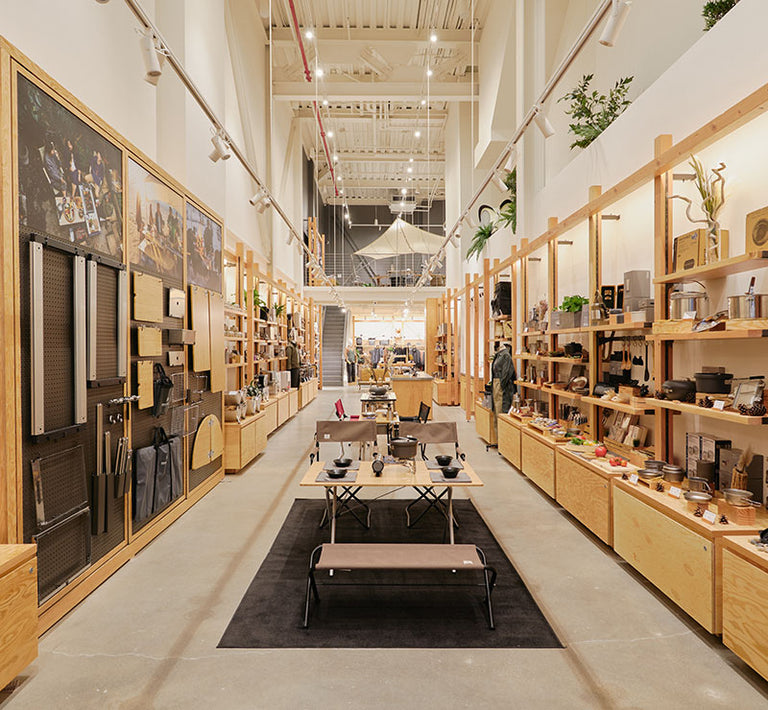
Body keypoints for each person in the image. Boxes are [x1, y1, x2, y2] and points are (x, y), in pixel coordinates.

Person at [491, 341, 517, 431]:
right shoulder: (499, 354)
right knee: (496, 410)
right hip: (497, 384)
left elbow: (506, 374)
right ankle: (497, 437)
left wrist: (501, 386)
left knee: (501, 410)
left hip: (501, 386)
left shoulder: (505, 355)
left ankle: (501, 437)